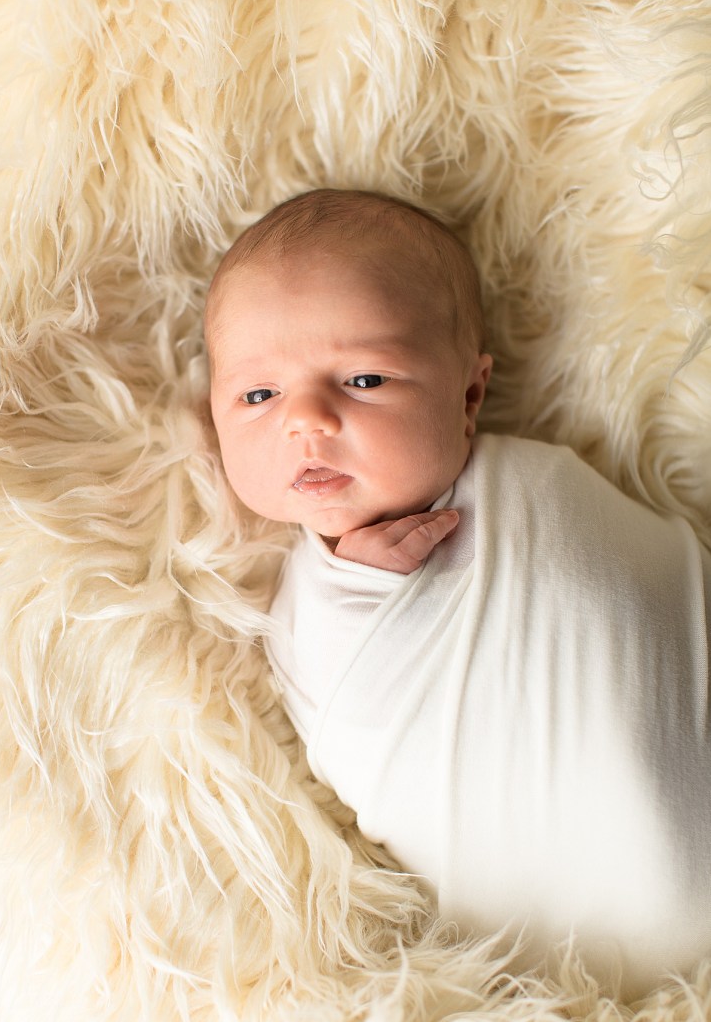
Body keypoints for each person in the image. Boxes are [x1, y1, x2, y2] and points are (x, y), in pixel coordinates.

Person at [205, 188, 711, 996]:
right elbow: (349, 726)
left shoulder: (540, 485)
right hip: (560, 939)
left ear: (468, 395)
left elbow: (649, 586)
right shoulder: (305, 611)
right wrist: (355, 589)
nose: (307, 420)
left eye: (363, 378)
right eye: (258, 395)